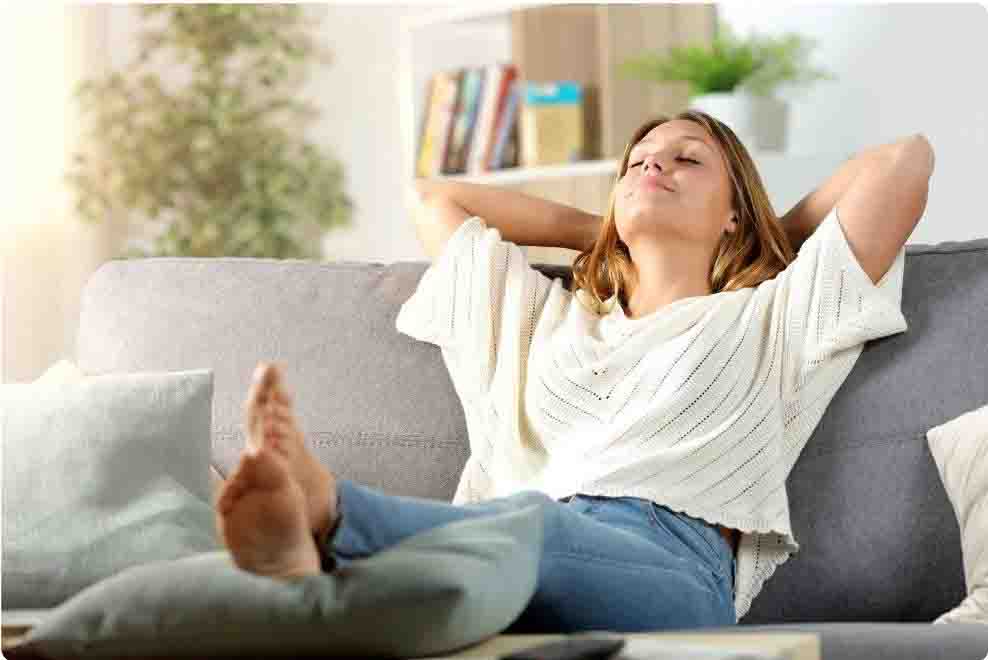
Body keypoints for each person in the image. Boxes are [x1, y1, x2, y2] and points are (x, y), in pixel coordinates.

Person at [215, 110, 910, 633]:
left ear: (734, 212)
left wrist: (768, 235)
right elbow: (434, 198)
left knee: (529, 529)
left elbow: (902, 162)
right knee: (509, 548)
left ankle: (329, 515)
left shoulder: (774, 315)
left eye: (687, 160)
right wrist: (603, 229)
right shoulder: (544, 316)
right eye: (637, 163)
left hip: (672, 568)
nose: (653, 167)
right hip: (512, 550)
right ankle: (312, 570)